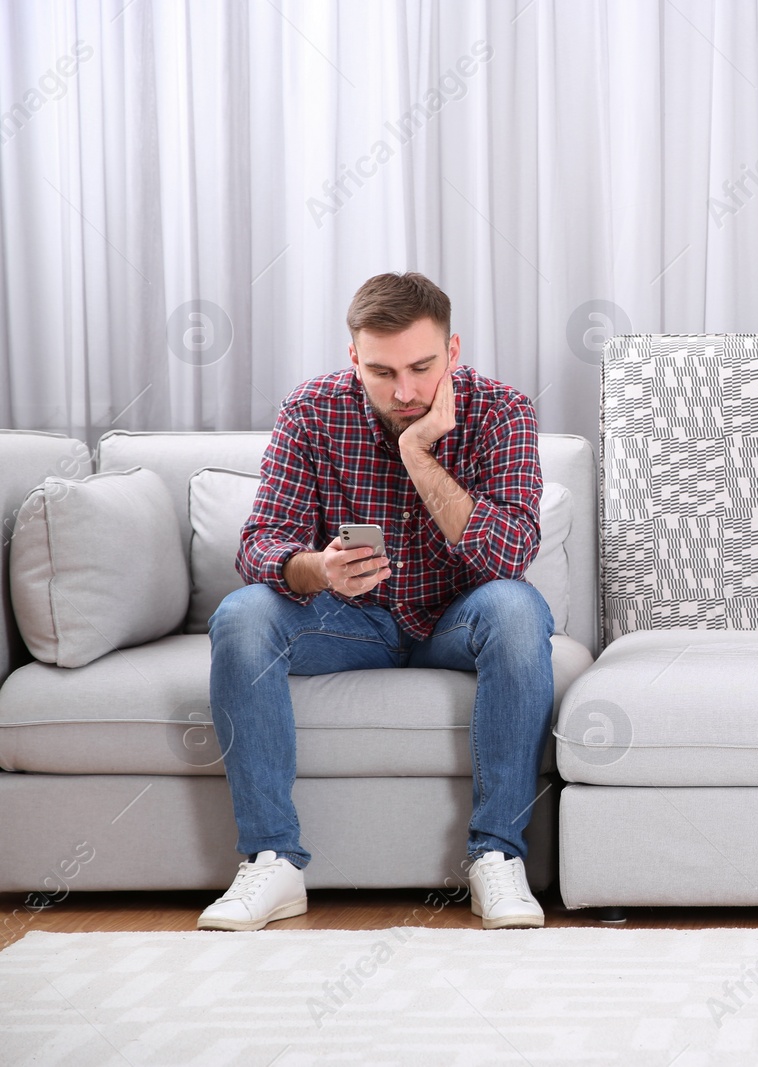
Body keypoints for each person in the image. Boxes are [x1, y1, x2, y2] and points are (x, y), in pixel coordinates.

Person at [198, 271, 555, 932]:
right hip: (351, 620)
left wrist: (418, 454)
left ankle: (496, 855)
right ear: (354, 357)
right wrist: (316, 569)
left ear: (452, 353)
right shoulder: (312, 409)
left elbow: (509, 555)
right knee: (240, 614)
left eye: (422, 367)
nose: (406, 391)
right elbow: (259, 544)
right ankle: (272, 858)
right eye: (382, 371)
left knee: (516, 608)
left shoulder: (503, 410)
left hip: (457, 618)